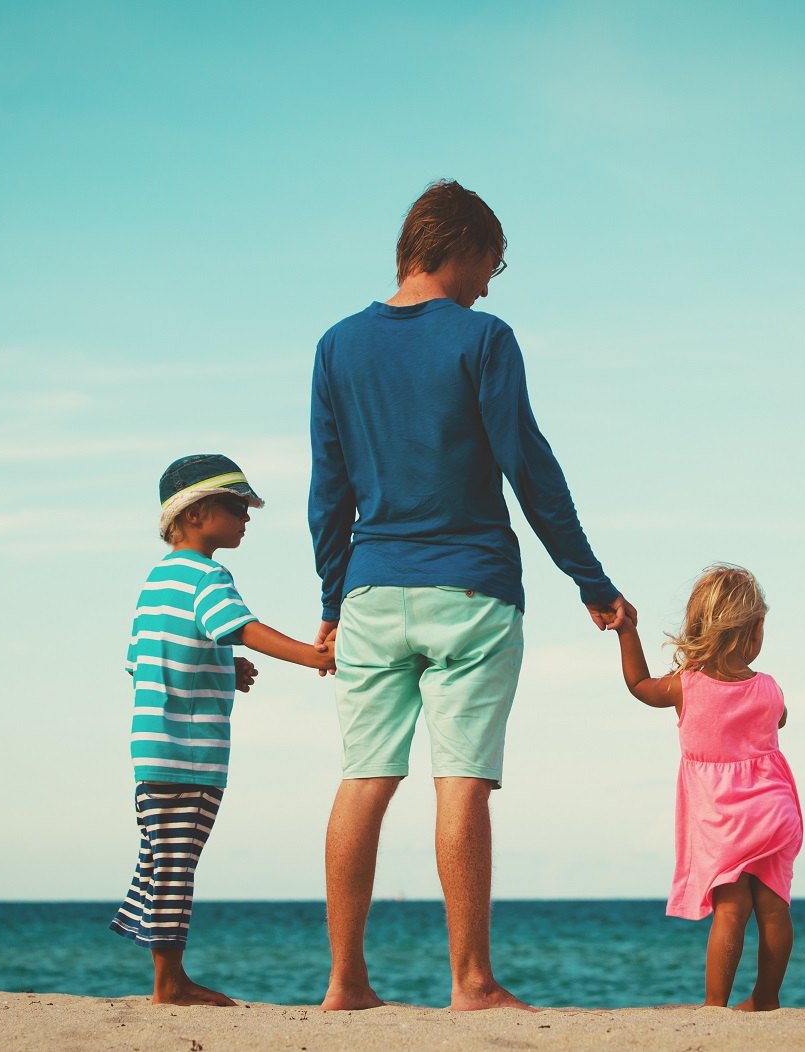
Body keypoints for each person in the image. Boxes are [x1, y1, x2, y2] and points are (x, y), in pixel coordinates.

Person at [308, 180, 634, 1011]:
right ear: (460, 246)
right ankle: (471, 982)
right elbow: (529, 466)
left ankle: (346, 983)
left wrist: (332, 598)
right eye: (492, 262)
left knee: (362, 779)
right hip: (473, 589)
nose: (490, 283)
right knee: (462, 782)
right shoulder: (484, 338)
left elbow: (329, 488)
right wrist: (591, 582)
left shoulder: (337, 345)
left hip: (372, 587)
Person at [111, 454, 335, 1005]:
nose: (247, 518)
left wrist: (220, 664)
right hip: (189, 752)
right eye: (237, 507)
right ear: (196, 514)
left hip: (153, 747)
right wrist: (310, 656)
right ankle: (170, 983)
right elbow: (242, 627)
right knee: (176, 863)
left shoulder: (156, 579)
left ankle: (165, 970)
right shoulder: (209, 574)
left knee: (163, 856)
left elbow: (146, 658)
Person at [611, 563, 802, 1010]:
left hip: (724, 820)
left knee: (732, 908)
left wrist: (627, 633)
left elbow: (639, 684)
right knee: (774, 907)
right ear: (755, 630)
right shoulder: (769, 688)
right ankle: (766, 999)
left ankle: (715, 1006)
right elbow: (781, 718)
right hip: (775, 812)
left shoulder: (686, 687)